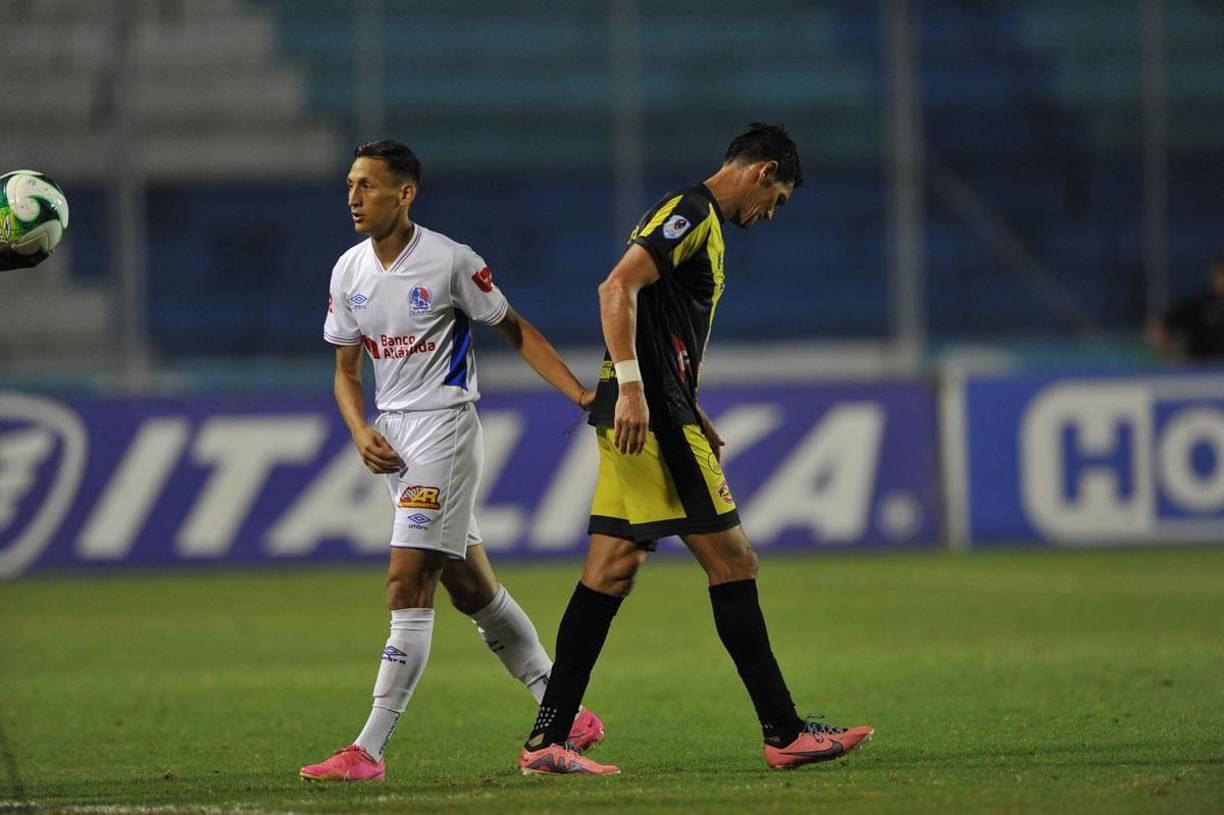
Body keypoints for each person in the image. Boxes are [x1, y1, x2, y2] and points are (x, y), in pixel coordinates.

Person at [517, 123, 873, 776]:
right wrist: (635, 391)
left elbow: (659, 325)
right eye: (778, 199)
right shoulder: (692, 212)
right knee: (735, 562)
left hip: (655, 411)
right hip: (651, 421)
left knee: (609, 572)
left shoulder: (695, 219)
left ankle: (546, 738)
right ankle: (784, 731)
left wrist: (690, 404)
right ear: (763, 172)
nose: (769, 215)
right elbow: (615, 288)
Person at [299, 140, 604, 782]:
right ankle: (565, 710)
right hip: (394, 438)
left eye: (368, 186)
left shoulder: (449, 261)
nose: (353, 197)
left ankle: (368, 750)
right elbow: (346, 372)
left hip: (446, 430)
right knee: (472, 588)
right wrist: (358, 430)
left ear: (404, 194)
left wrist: (577, 391)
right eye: (350, 184)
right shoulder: (348, 270)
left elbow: (514, 327)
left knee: (406, 585)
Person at [1148, 255, 1224, 362]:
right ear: (1215, 276)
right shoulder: (1199, 304)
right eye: (1221, 274)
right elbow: (1159, 326)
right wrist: (1174, 357)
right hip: (1202, 373)